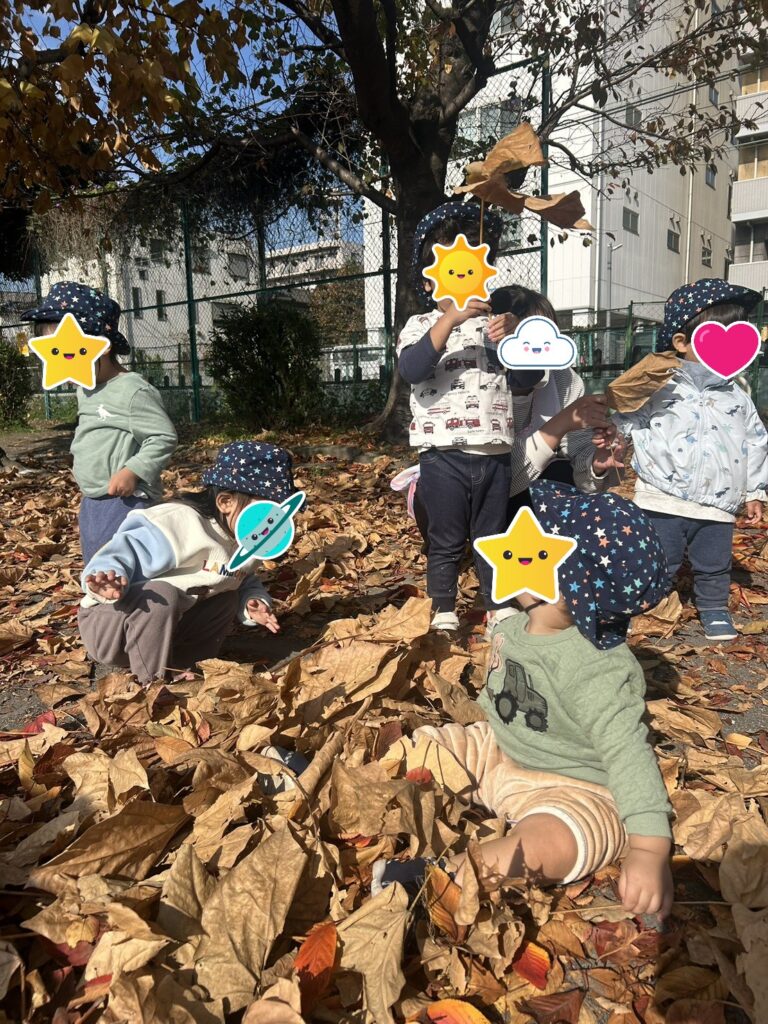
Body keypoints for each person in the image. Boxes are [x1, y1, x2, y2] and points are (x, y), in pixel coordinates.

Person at [373, 482, 674, 919]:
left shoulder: (596, 666)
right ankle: (352, 784)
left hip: (573, 785)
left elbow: (629, 754)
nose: (512, 555)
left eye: (528, 552)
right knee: (430, 744)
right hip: (499, 748)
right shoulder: (514, 625)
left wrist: (649, 847)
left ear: (567, 585)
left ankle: (443, 880)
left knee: (559, 841)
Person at [606, 279, 768, 641]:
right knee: (658, 557)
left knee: (714, 562)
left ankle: (713, 607)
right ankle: (641, 604)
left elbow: (756, 441)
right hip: (661, 495)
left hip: (718, 500)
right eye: (716, 338)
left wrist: (755, 490)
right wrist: (614, 441)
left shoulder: (737, 395)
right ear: (681, 342)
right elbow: (629, 417)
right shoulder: (659, 385)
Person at [397, 201, 519, 633]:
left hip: (495, 451)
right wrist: (449, 319)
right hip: (441, 453)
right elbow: (412, 369)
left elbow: (526, 380)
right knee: (445, 537)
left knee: (492, 536)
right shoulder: (421, 324)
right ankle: (443, 606)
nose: (465, 279)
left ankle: (497, 604)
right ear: (431, 279)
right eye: (453, 270)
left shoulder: (499, 325)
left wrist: (515, 338)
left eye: (473, 268)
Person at [78, 441, 289, 684]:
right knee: (161, 593)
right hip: (110, 625)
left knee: (226, 599)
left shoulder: (249, 542)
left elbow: (242, 579)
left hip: (165, 632)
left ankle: (187, 666)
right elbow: (122, 550)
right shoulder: (179, 524)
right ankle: (151, 682)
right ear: (226, 502)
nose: (272, 523)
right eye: (266, 512)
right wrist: (108, 577)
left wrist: (253, 601)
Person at [21, 282, 177, 563]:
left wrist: (133, 471)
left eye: (67, 352)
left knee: (125, 567)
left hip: (128, 500)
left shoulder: (132, 390)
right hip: (93, 499)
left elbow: (162, 437)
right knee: (97, 564)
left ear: (101, 348)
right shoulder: (86, 388)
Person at [499, 286, 622, 519]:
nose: (536, 349)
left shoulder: (563, 379)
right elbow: (497, 483)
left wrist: (596, 462)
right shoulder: (481, 381)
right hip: (485, 502)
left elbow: (583, 477)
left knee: (560, 471)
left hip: (541, 500)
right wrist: (559, 425)